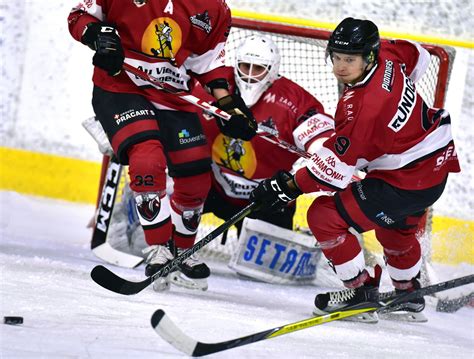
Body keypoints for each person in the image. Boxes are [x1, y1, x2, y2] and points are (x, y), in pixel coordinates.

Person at [250, 17, 460, 321]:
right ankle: (408, 294)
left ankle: (359, 293)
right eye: (336, 57)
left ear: (369, 56)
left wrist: (285, 187)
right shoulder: (389, 53)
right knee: (395, 231)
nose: (340, 67)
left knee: (324, 215)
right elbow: (420, 57)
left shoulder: (364, 108)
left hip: (403, 179)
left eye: (349, 60)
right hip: (433, 169)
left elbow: (332, 170)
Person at [68, 0, 257, 291]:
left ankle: (182, 252)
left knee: (195, 175)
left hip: (173, 95)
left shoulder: (215, 8)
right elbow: (78, 16)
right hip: (121, 87)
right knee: (147, 156)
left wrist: (228, 105)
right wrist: (99, 35)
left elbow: (206, 64)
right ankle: (158, 249)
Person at [196, 35, 334, 235]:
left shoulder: (295, 101)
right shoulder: (215, 85)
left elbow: (321, 136)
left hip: (267, 201)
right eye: (245, 66)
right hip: (214, 189)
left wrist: (324, 152)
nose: (250, 76)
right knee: (174, 184)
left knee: (269, 265)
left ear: (272, 71)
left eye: (258, 69)